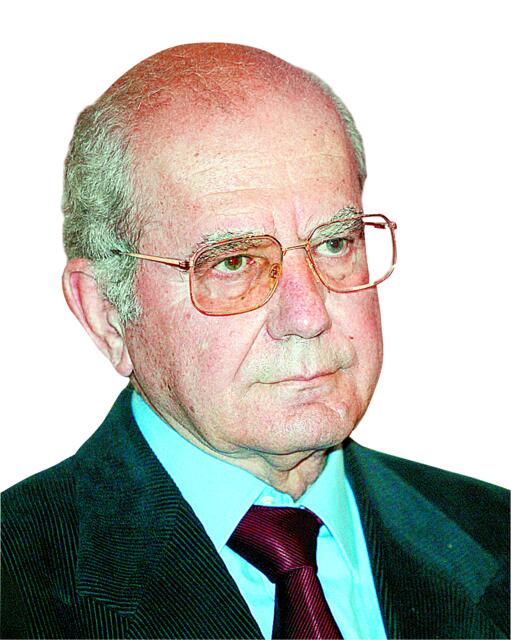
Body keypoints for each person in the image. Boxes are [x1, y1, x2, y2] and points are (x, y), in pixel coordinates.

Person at [1, 43, 508, 640]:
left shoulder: (494, 534)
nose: (308, 315)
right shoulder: (18, 586)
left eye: (335, 244)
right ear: (107, 313)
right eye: (234, 261)